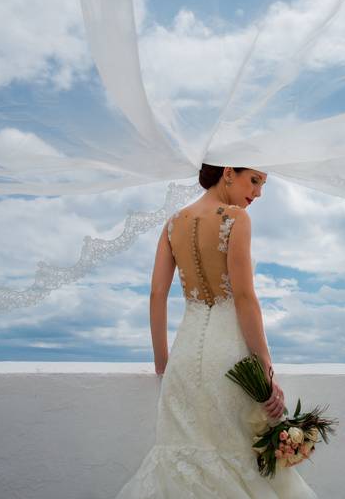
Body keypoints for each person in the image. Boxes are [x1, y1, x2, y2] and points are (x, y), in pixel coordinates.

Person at [114, 164, 318, 498]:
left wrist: (162, 364)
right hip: (230, 359)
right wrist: (266, 367)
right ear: (227, 172)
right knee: (236, 456)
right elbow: (243, 297)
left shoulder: (172, 224)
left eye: (263, 184)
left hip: (184, 359)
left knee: (181, 459)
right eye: (254, 181)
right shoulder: (236, 218)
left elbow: (156, 296)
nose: (258, 193)